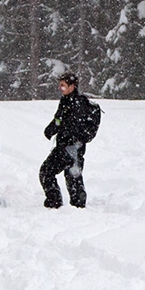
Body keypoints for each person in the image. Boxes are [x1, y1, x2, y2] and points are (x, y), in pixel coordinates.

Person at [39, 72, 101, 209]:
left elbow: (72, 126)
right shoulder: (66, 100)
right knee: (56, 174)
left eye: (63, 85)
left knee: (65, 176)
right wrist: (50, 130)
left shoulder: (79, 103)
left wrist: (70, 140)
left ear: (72, 86)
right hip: (66, 147)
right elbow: (59, 119)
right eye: (59, 85)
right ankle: (61, 203)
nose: (60, 88)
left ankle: (72, 206)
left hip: (72, 148)